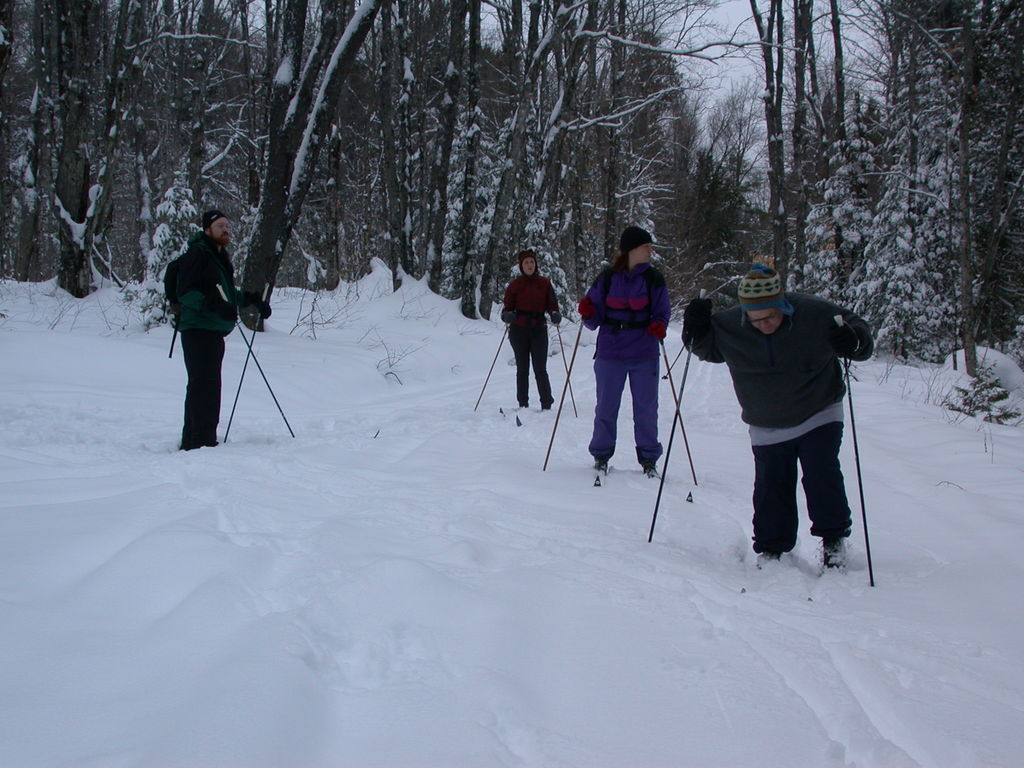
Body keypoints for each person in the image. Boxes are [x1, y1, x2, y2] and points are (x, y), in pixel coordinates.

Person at [682, 263, 874, 568]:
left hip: (819, 409)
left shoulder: (814, 312)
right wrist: (694, 328)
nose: (764, 324)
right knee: (772, 483)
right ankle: (772, 548)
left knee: (821, 472)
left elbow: (860, 336)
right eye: (756, 319)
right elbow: (704, 348)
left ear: (783, 305)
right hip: (765, 419)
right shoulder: (732, 324)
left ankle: (833, 540)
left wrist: (853, 340)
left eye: (771, 316)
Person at [175, 209, 271, 450]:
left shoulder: (217, 256)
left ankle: (196, 440)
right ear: (207, 229)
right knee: (204, 384)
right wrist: (215, 306)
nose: (225, 230)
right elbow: (185, 292)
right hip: (197, 329)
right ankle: (200, 442)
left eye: (227, 226)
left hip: (212, 330)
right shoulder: (198, 254)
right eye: (220, 226)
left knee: (207, 384)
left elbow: (223, 293)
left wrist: (251, 300)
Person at [578, 226, 670, 477]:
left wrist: (659, 325)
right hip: (611, 351)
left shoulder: (653, 279)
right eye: (646, 247)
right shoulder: (607, 278)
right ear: (631, 249)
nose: (650, 251)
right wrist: (587, 311)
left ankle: (649, 458)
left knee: (646, 408)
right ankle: (601, 454)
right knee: (606, 406)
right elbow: (593, 320)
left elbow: (663, 311)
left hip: (644, 352)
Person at [501, 249, 562, 410]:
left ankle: (546, 403)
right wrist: (508, 316)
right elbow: (506, 309)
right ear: (521, 266)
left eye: (532, 262)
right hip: (518, 330)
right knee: (522, 368)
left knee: (540, 368)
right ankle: (523, 403)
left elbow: (552, 305)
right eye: (526, 262)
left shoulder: (544, 283)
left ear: (536, 264)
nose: (530, 265)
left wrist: (555, 314)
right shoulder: (515, 285)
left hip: (538, 329)